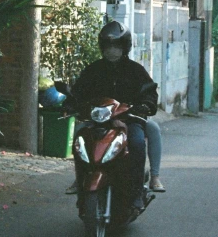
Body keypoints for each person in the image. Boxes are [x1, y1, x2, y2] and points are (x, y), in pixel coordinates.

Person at [65, 20, 160, 210]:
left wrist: (144, 105)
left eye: (116, 45)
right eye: (108, 46)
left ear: (124, 46)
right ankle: (80, 179)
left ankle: (136, 194)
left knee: (138, 142)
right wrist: (70, 102)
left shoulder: (136, 71)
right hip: (97, 120)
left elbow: (149, 92)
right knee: (80, 140)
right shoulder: (93, 70)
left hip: (128, 120)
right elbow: (78, 91)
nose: (112, 50)